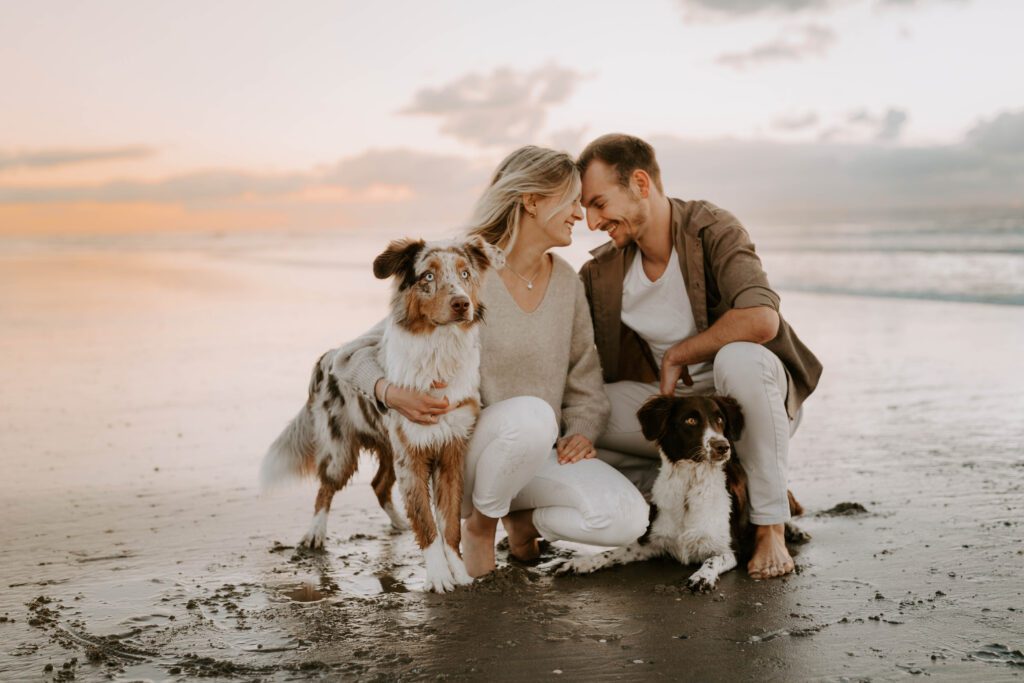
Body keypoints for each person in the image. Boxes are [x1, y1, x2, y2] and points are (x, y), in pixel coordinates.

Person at [337, 146, 649, 578]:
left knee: (625, 520)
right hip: (467, 460)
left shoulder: (565, 282)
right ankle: (480, 526)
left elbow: (584, 379)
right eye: (571, 199)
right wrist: (390, 393)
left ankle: (521, 522)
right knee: (533, 416)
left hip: (536, 451)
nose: (580, 213)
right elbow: (349, 357)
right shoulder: (462, 272)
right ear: (532, 200)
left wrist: (580, 431)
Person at [576, 133, 823, 580]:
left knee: (738, 360)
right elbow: (569, 353)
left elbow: (761, 318)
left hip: (750, 402)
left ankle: (769, 525)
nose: (592, 222)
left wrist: (678, 355)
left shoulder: (712, 229)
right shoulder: (602, 271)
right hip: (679, 411)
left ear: (640, 183)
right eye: (586, 209)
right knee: (576, 413)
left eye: (598, 203)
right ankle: (712, 489)